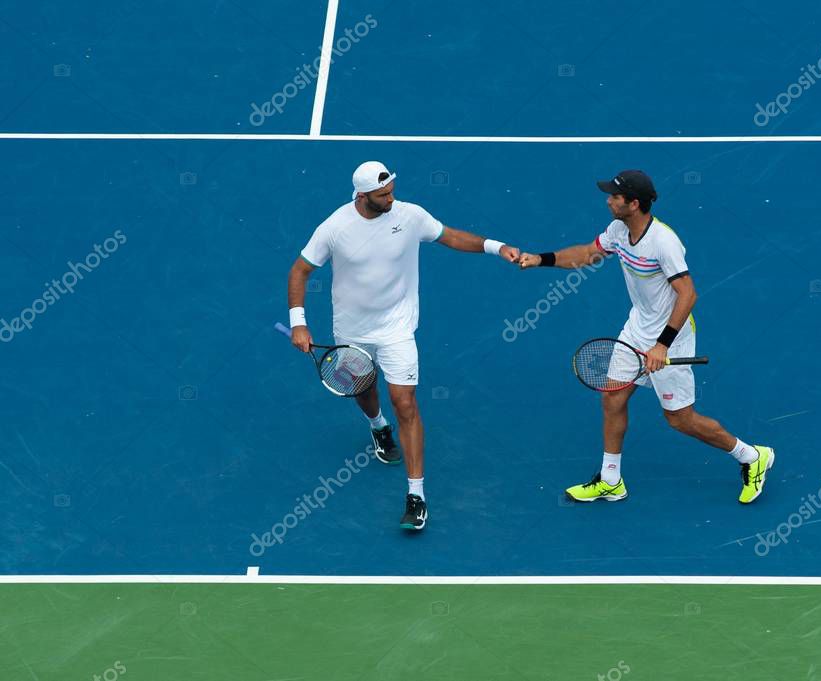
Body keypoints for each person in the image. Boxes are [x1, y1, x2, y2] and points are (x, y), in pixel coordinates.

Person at [287, 161, 520, 530]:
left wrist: (497, 246)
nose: (391, 198)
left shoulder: (409, 216)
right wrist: (299, 323)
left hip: (397, 330)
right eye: (382, 195)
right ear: (362, 196)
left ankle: (416, 494)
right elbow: (300, 270)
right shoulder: (335, 227)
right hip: (352, 331)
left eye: (392, 189)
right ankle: (378, 426)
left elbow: (451, 236)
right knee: (362, 391)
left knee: (406, 402)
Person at [518, 170, 775, 504]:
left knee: (680, 420)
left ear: (634, 203)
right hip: (637, 329)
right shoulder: (618, 230)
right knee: (612, 397)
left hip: (672, 335)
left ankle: (752, 457)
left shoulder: (663, 242)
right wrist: (542, 259)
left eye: (615, 196)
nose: (608, 200)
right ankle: (611, 480)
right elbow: (586, 253)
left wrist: (662, 344)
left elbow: (688, 294)